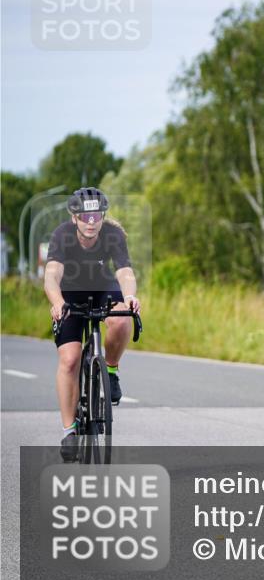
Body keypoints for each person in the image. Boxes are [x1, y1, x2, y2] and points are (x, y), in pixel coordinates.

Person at [44, 187, 141, 460]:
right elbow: (52, 275)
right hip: (69, 292)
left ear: (103, 216)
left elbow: (124, 271)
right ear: (74, 217)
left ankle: (109, 370)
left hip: (102, 286)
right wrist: (57, 301)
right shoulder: (62, 236)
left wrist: (131, 295)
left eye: (96, 215)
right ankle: (69, 430)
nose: (91, 222)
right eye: (85, 216)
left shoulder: (113, 235)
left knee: (122, 320)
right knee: (71, 359)